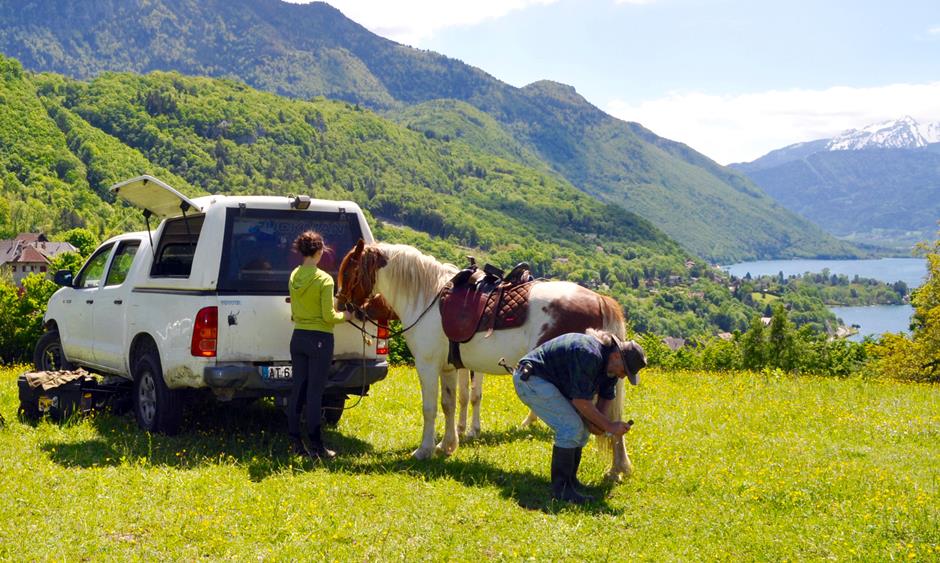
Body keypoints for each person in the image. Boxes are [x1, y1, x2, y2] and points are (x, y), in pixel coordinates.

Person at [513, 330, 646, 504]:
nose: (623, 376)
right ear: (615, 356)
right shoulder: (589, 354)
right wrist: (610, 426)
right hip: (531, 380)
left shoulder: (611, 371)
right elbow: (581, 401)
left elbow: (597, 414)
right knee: (570, 427)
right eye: (625, 370)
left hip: (547, 383)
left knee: (581, 430)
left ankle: (570, 482)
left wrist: (600, 426)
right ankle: (561, 490)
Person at [287, 231, 352, 460]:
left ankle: (295, 442)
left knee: (298, 390)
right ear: (318, 251)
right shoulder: (324, 279)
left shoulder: (294, 275)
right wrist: (347, 316)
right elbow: (328, 316)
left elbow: (294, 310)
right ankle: (317, 446)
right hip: (320, 339)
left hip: (298, 337)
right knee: (315, 393)